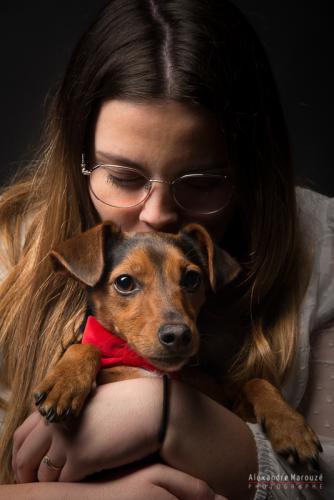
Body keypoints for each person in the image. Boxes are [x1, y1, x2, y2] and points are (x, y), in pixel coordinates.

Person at [0, 0, 333, 498]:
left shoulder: (322, 243)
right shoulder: (11, 242)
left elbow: (320, 482)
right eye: (124, 176)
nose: (156, 215)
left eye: (200, 182)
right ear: (81, 157)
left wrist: (168, 416)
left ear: (248, 170)